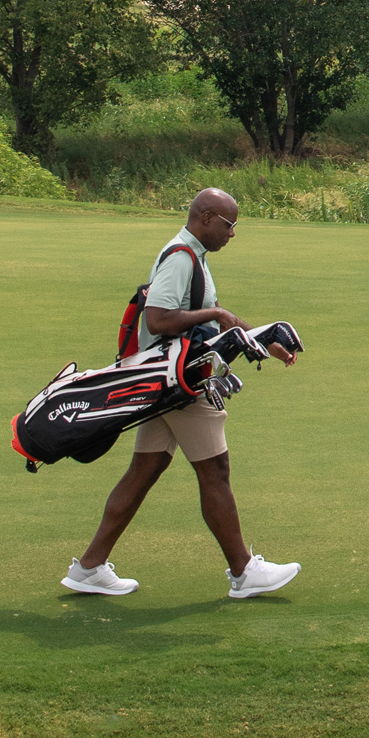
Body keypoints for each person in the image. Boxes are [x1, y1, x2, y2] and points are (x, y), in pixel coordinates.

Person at [59, 188, 304, 598]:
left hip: (167, 382)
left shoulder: (196, 259)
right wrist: (216, 313)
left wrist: (262, 340)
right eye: (229, 225)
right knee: (215, 472)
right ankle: (243, 572)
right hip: (179, 383)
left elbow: (212, 323)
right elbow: (157, 319)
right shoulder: (180, 258)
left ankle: (89, 567)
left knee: (143, 473)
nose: (232, 234)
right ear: (206, 218)